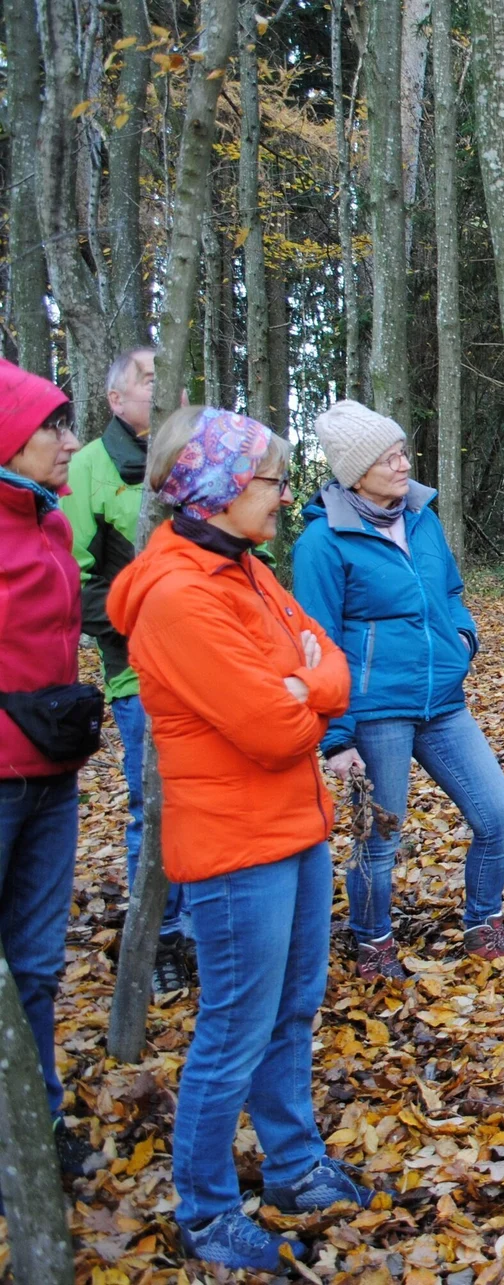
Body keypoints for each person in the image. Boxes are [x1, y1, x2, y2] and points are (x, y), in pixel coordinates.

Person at [110, 406, 377, 1271]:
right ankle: (206, 1208)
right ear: (219, 488)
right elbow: (272, 728)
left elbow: (332, 664)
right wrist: (304, 689)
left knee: (293, 1008)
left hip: (296, 824)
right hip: (234, 847)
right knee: (234, 1027)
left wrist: (306, 683)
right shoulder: (180, 595)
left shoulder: (246, 567)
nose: (283, 494)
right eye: (270, 480)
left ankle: (293, 1166)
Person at [292, 399, 504, 980]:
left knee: (499, 815)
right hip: (375, 712)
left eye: (402, 453)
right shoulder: (322, 542)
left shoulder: (424, 519)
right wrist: (337, 736)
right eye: (388, 458)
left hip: (443, 703)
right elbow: (317, 641)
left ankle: (483, 924)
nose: (403, 465)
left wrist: (463, 638)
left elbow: (450, 591)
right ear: (356, 473)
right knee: (380, 837)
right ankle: (373, 945)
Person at [59, 346, 197, 992]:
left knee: (206, 801)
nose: (167, 387)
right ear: (116, 400)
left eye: (172, 377)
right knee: (156, 807)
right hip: (141, 675)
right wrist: (148, 619)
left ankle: (198, 930)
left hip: (211, 669)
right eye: (150, 378)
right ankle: (157, 939)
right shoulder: (88, 467)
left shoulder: (199, 459)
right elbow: (73, 584)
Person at [0, 358, 96, 1178]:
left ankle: (40, 1121)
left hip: (52, 775)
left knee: (35, 963)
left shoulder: (51, 521)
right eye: (51, 428)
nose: (68, 442)